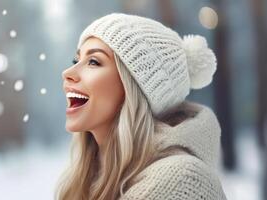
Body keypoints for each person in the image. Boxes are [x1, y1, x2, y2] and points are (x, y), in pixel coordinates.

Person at [57, 13, 227, 200]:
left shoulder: (183, 182)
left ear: (134, 87)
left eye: (93, 62)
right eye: (76, 61)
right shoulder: (91, 178)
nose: (68, 72)